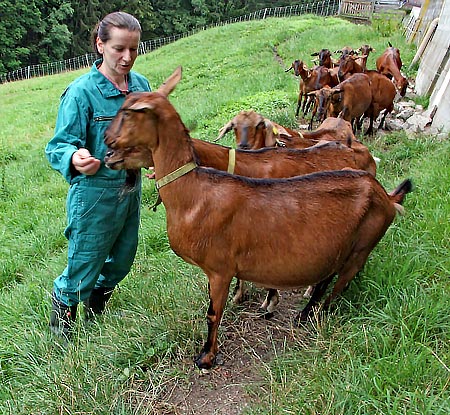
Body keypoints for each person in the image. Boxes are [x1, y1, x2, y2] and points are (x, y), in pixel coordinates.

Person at [45, 11, 151, 340]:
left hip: (130, 190)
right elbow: (58, 145)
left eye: (133, 49)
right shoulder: (81, 93)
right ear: (100, 45)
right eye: (119, 48)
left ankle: (95, 310)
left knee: (122, 259)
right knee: (84, 264)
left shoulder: (141, 86)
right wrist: (75, 158)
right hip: (94, 195)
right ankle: (61, 332)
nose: (127, 57)